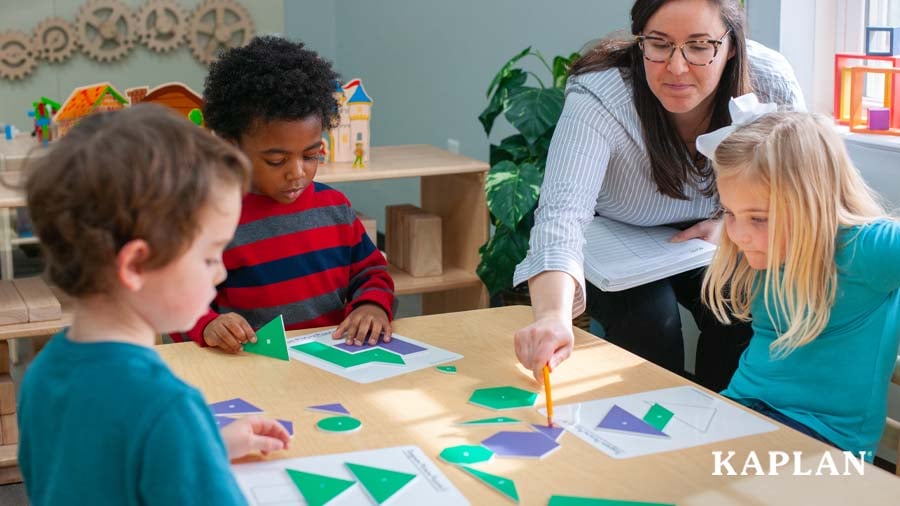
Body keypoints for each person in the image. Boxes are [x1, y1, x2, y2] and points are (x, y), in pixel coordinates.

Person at [513, 0, 804, 390]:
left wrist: (730, 223)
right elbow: (561, 216)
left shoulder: (769, 81)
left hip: (708, 234)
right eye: (659, 44)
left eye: (700, 46)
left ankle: (720, 426)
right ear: (639, 42)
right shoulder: (600, 96)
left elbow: (796, 193)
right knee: (650, 319)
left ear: (732, 45)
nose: (677, 67)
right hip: (610, 232)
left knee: (740, 308)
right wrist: (552, 317)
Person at [17, 105, 291, 505]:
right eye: (210, 257)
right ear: (136, 264)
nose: (220, 275)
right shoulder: (168, 408)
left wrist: (204, 446)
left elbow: (99, 468)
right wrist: (189, 442)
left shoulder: (41, 373)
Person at [698, 99, 899, 461]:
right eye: (730, 212)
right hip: (739, 409)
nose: (739, 234)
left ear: (813, 203)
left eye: (758, 218)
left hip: (824, 443)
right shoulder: (764, 249)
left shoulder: (865, 246)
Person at [174, 36, 395, 352]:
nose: (298, 172)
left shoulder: (335, 208)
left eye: (310, 155)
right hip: (252, 372)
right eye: (276, 160)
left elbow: (370, 272)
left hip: (331, 364)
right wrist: (208, 325)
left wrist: (371, 306)